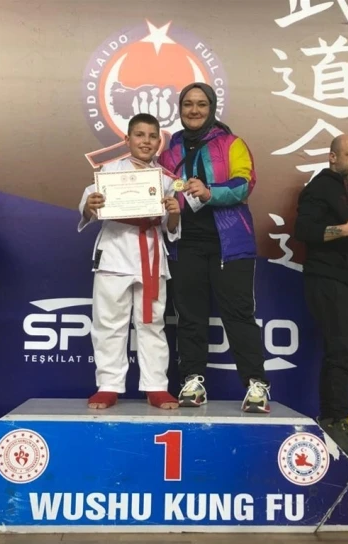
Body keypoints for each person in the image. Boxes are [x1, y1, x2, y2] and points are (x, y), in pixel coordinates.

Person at [157, 82, 270, 413]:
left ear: (212, 108)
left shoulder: (232, 143)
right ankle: (192, 381)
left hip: (230, 243)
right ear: (180, 109)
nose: (194, 110)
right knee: (190, 316)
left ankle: (256, 385)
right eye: (188, 104)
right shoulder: (169, 151)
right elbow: (161, 191)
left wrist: (210, 193)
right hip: (185, 244)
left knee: (239, 315)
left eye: (201, 104)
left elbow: (244, 183)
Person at [79, 113, 180, 410]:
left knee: (152, 322)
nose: (146, 141)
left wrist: (175, 213)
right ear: (127, 139)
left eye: (152, 136)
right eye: (139, 135)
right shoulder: (108, 173)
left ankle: (156, 386)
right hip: (114, 253)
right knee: (109, 322)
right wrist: (90, 206)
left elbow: (171, 228)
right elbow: (88, 211)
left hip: (151, 253)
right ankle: (108, 385)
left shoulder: (166, 179)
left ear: (159, 142)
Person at [294, 134, 348, 460]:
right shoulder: (321, 187)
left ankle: (337, 420)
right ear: (333, 157)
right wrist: (342, 230)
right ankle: (335, 422)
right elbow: (303, 230)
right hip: (329, 282)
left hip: (347, 284)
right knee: (342, 352)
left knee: (344, 354)